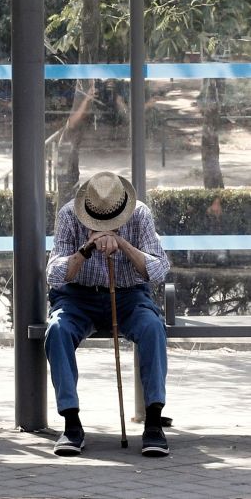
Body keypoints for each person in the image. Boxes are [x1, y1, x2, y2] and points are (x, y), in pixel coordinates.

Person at [45, 171, 170, 457]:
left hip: (129, 297)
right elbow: (55, 275)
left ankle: (153, 422)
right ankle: (71, 423)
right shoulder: (68, 215)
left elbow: (158, 269)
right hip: (78, 297)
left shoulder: (139, 215)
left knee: (152, 327)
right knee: (58, 330)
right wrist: (86, 249)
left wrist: (123, 244)